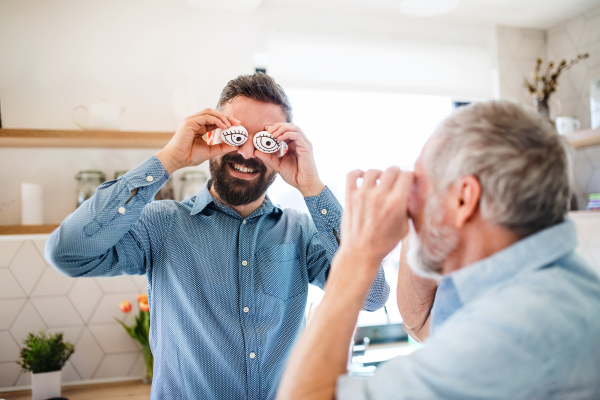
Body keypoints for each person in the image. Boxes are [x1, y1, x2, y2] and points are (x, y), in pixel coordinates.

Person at [45, 73, 390, 400]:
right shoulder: (162, 225)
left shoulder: (300, 232)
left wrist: (313, 189)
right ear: (214, 132)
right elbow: (67, 253)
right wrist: (168, 159)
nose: (247, 153)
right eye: (237, 135)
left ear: (281, 149)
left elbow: (372, 296)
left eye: (264, 141)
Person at [276, 100, 600, 400]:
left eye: (417, 182)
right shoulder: (558, 285)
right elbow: (421, 324)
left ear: (463, 199)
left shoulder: (511, 331)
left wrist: (357, 254)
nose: (407, 203)